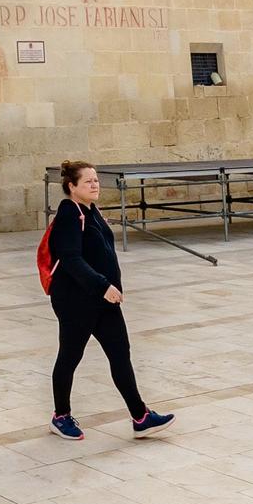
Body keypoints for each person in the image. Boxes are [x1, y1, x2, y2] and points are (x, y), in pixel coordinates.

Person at [45, 160, 175, 442]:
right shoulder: (70, 214)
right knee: (70, 356)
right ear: (72, 187)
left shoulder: (91, 212)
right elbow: (71, 259)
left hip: (103, 301)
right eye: (88, 181)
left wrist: (110, 288)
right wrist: (104, 285)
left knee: (120, 354)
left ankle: (140, 417)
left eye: (95, 180)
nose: (95, 185)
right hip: (76, 301)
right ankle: (61, 416)